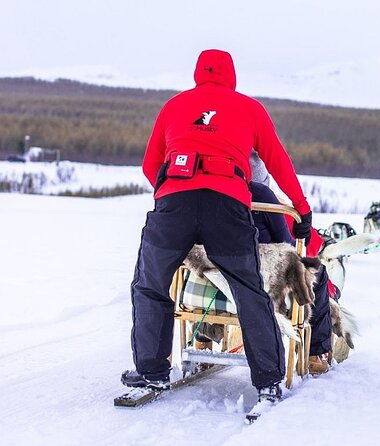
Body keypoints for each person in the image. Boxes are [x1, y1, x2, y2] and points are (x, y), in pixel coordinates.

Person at [121, 49, 312, 404]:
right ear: (231, 75)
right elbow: (278, 162)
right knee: (249, 289)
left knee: (150, 284)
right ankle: (268, 380)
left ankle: (152, 371)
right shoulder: (250, 108)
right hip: (227, 205)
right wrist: (302, 210)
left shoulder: (174, 106)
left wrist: (167, 195)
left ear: (198, 73)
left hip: (174, 205)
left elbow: (150, 164)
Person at [248, 152, 332, 374]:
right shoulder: (263, 195)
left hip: (215, 266)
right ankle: (315, 352)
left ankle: (202, 340)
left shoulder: (211, 193)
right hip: (265, 274)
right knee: (319, 275)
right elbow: (285, 242)